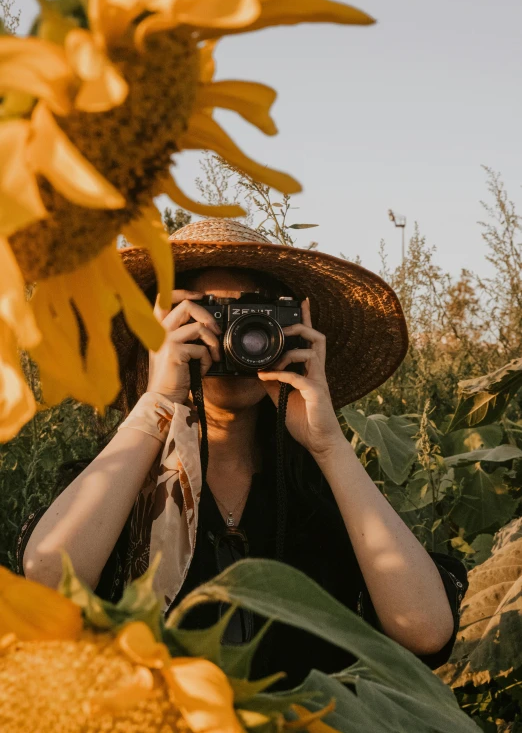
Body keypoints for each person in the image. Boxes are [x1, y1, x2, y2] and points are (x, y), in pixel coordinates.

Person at [17, 219, 468, 689]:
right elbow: (46, 586)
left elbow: (426, 631)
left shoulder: (326, 496)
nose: (230, 336)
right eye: (202, 316)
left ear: (292, 331)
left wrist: (330, 446)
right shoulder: (112, 492)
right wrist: (157, 407)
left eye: (257, 315)